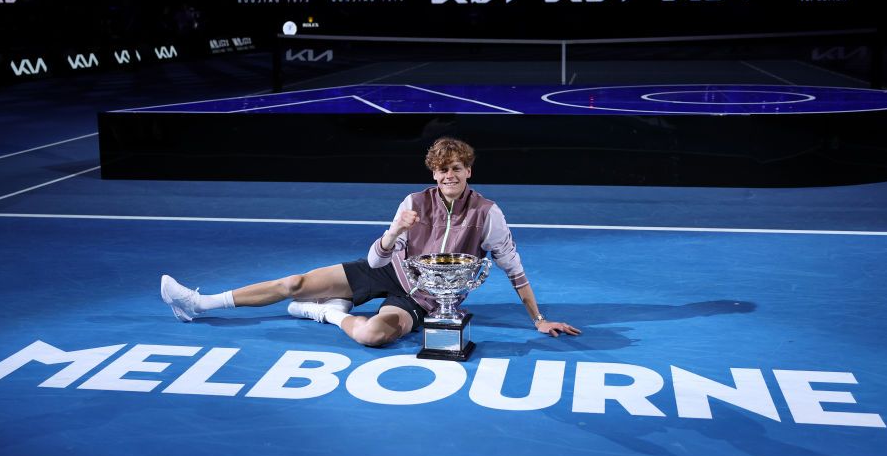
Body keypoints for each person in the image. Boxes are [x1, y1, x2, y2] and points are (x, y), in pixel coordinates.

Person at [161, 137, 580, 347]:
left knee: (372, 337)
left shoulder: (488, 213)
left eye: (455, 168)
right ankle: (198, 303)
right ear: (433, 174)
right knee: (294, 283)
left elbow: (513, 268)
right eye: (441, 171)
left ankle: (326, 315)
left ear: (468, 170)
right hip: (387, 271)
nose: (448, 176)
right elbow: (374, 257)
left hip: (425, 299)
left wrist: (538, 319)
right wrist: (394, 232)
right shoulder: (414, 201)